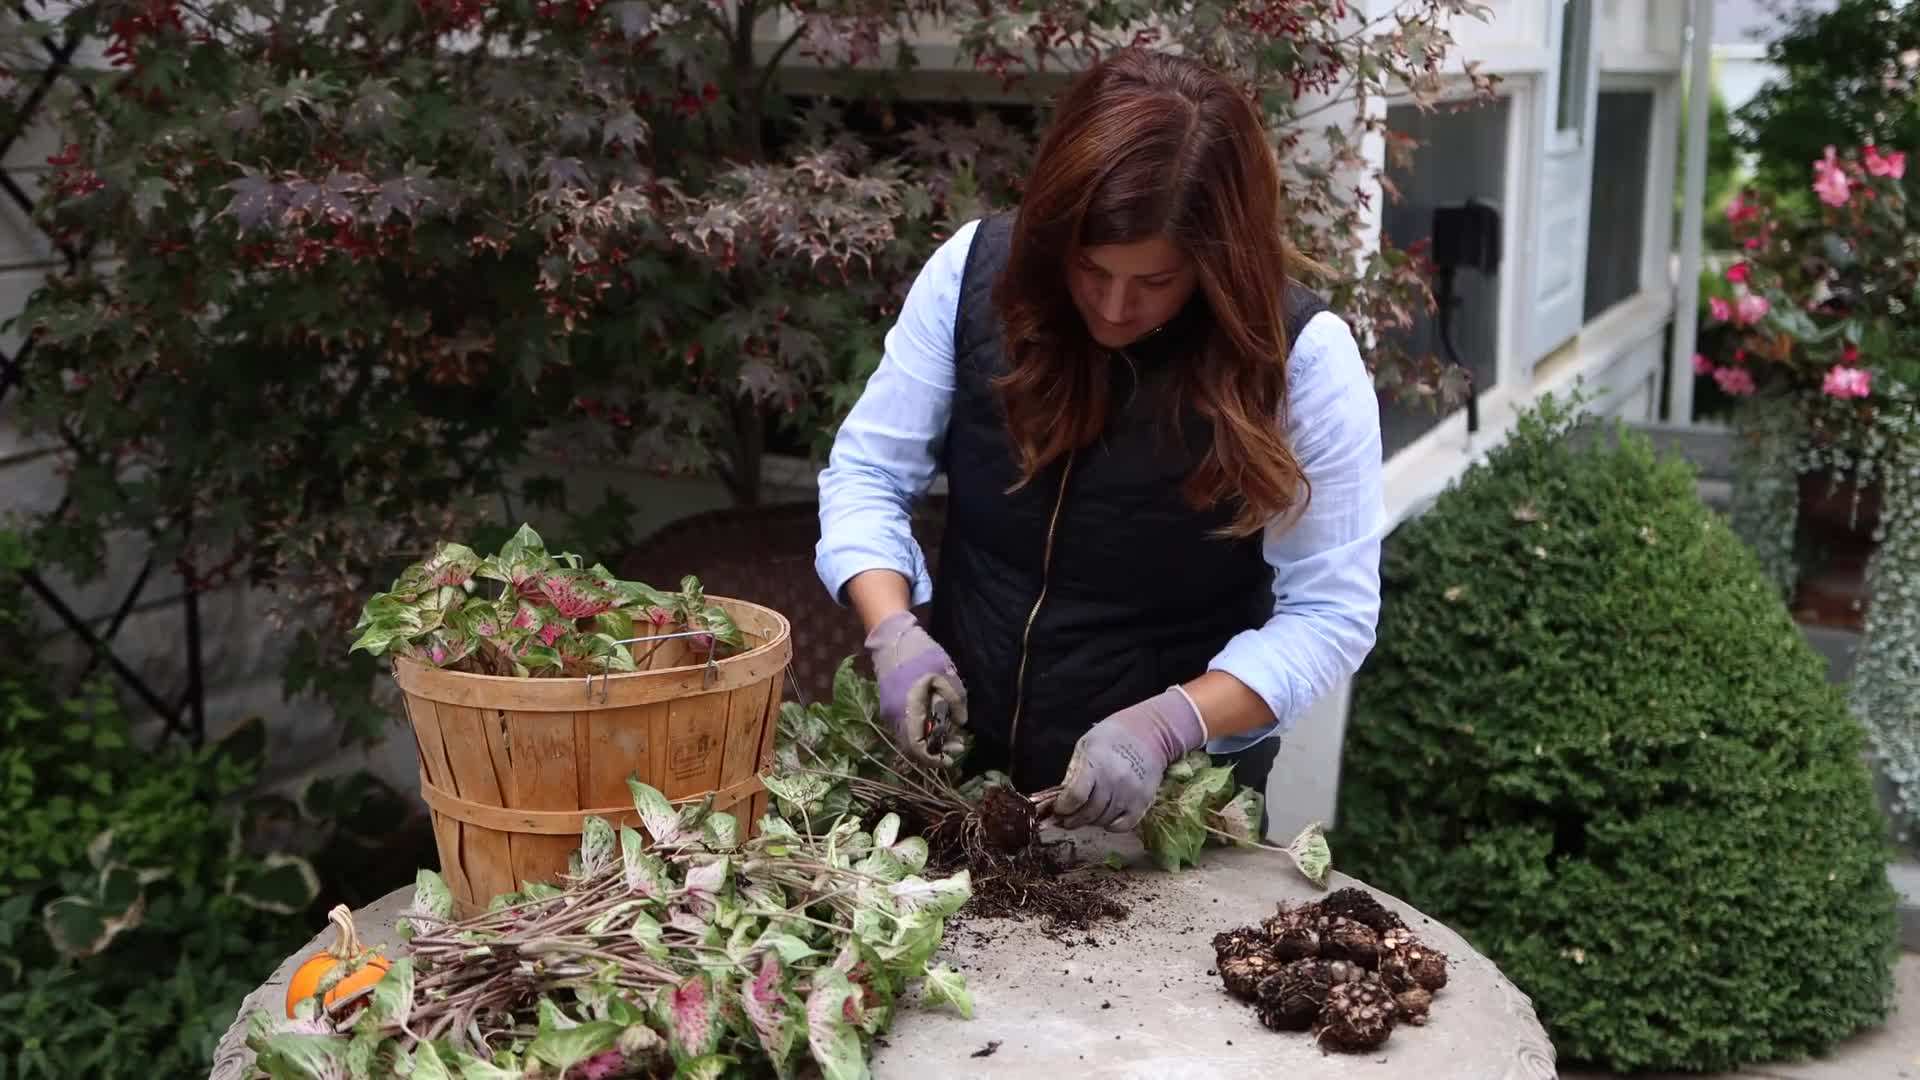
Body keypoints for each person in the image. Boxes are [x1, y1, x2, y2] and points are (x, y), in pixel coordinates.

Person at [812, 48, 1387, 834]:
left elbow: (1330, 612)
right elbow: (869, 474)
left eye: (1155, 282)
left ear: (1218, 264)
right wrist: (894, 631)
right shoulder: (975, 275)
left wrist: (1168, 723)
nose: (1114, 307)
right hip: (957, 781)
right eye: (1089, 268)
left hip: (1174, 805)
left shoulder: (1302, 360)